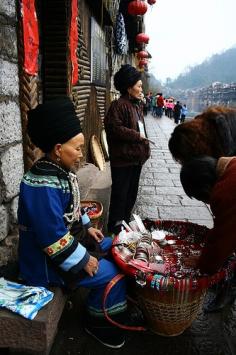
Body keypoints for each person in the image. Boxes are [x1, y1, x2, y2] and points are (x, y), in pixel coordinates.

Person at [18, 97, 130, 349]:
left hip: (63, 249)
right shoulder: (41, 185)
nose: (81, 154)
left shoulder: (59, 173)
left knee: (117, 245)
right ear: (58, 149)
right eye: (77, 148)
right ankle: (98, 322)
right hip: (45, 265)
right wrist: (83, 260)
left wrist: (88, 226)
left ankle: (103, 303)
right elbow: (51, 237)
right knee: (114, 274)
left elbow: (73, 207)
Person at [180, 156, 236, 311]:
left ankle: (230, 288)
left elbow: (223, 237)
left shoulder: (225, 191)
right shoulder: (230, 165)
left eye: (203, 198)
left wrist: (204, 263)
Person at [104, 64, 150, 235]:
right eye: (138, 86)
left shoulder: (136, 106)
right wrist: (137, 136)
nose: (141, 89)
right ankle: (115, 228)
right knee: (120, 195)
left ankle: (124, 223)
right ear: (129, 88)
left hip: (135, 159)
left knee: (131, 195)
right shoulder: (118, 105)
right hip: (123, 160)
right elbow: (114, 128)